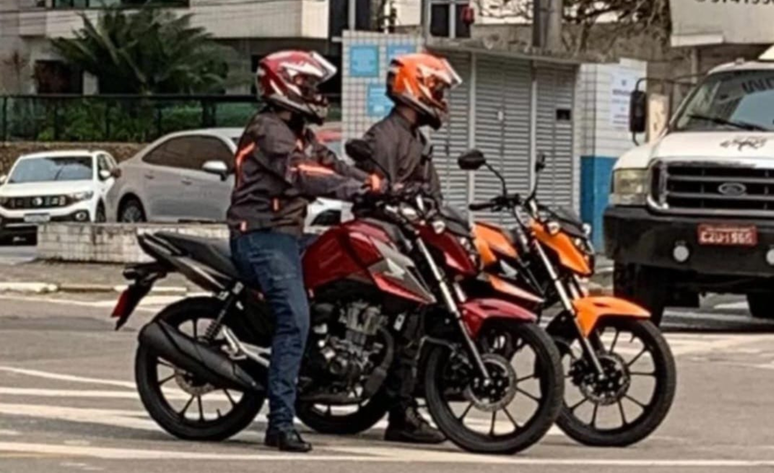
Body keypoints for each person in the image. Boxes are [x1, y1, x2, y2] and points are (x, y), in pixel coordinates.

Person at [227, 50, 380, 453]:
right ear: (287, 86)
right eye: (309, 86)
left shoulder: (300, 133)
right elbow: (303, 173)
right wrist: (354, 190)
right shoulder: (269, 130)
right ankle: (279, 423)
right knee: (294, 319)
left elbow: (334, 165)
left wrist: (380, 185)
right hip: (261, 237)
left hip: (290, 235)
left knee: (351, 271)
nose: (316, 94)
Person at [356, 52, 461, 444]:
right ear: (413, 87)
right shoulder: (384, 136)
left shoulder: (416, 137)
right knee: (409, 317)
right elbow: (376, 192)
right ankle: (401, 413)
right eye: (436, 88)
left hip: (410, 237)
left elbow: (430, 194)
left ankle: (412, 396)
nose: (441, 96)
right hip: (385, 238)